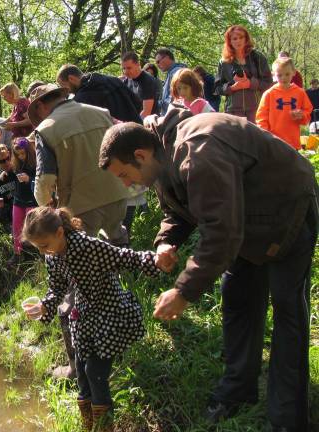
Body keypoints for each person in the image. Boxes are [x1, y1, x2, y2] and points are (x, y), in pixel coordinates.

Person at [99, 109, 317, 432]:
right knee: (238, 299)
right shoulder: (161, 156)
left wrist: (184, 291)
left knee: (287, 311)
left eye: (124, 174)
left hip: (289, 209)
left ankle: (287, 417)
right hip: (244, 220)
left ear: (139, 155)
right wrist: (165, 241)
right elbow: (182, 209)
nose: (126, 183)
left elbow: (222, 232)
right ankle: (238, 393)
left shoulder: (199, 151)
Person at [21, 206, 161, 431]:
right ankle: (90, 425)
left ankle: (105, 426)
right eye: (38, 248)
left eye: (44, 245)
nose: (43, 252)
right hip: (84, 316)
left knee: (95, 372)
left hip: (109, 313)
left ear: (59, 232)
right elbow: (57, 288)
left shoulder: (88, 246)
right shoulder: (53, 256)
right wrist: (44, 306)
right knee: (83, 374)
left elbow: (126, 257)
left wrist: (157, 261)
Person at [29, 83, 131, 379]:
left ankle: (77, 367)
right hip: (117, 194)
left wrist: (45, 209)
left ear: (40, 106)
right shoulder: (101, 113)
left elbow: (44, 181)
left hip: (79, 209)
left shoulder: (46, 130)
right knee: (113, 256)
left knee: (73, 283)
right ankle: (120, 326)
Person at [214, 25, 272, 123]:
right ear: (229, 41)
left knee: (255, 138)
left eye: (241, 37)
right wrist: (232, 88)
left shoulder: (257, 57)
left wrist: (250, 83)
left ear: (246, 39)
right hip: (233, 112)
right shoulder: (224, 62)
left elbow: (269, 84)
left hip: (256, 110)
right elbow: (217, 88)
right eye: (235, 39)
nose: (238, 41)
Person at [256, 57, 313, 150]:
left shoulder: (300, 93)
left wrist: (301, 115)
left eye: (287, 74)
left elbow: (308, 111)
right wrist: (265, 136)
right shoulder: (269, 94)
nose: (284, 78)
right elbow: (261, 117)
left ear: (294, 72)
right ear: (274, 75)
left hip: (293, 142)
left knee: (292, 164)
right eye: (279, 75)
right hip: (274, 141)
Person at [56, 64, 142, 123]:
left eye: (64, 86)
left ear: (71, 78)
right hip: (139, 132)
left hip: (119, 142)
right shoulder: (113, 80)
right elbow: (137, 104)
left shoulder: (80, 102)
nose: (66, 91)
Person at [7, 137, 38, 265]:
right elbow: (12, 175)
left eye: (23, 153)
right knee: (16, 227)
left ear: (28, 151)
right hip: (18, 199)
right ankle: (17, 253)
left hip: (32, 200)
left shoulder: (36, 163)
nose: (20, 156)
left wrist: (29, 179)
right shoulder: (16, 165)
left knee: (33, 227)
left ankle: (38, 253)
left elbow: (41, 182)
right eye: (17, 154)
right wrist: (5, 174)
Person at [121, 51, 158, 118]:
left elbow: (146, 112)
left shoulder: (147, 81)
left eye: (129, 68)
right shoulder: (127, 80)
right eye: (124, 68)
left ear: (138, 64)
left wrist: (129, 125)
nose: (126, 72)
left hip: (147, 124)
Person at [154, 48, 186, 116]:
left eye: (158, 61)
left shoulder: (176, 73)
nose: (157, 65)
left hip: (175, 117)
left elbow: (174, 98)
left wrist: (155, 105)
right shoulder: (171, 73)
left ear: (167, 57)